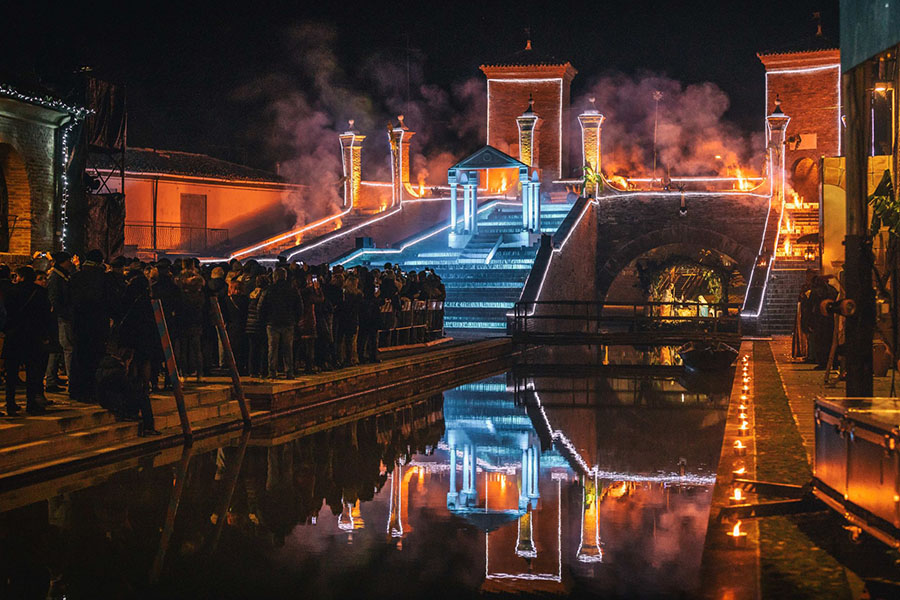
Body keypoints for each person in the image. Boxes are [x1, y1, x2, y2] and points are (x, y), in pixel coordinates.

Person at [3, 266, 55, 416]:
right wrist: (46, 335)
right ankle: (31, 403)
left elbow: (7, 311)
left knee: (11, 372)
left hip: (14, 335)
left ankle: (10, 403)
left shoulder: (11, 291)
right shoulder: (39, 292)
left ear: (21, 276)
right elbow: (46, 316)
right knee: (33, 371)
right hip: (33, 336)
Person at [69, 249, 117, 403]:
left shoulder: (76, 277)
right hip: (97, 324)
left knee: (78, 356)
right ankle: (90, 390)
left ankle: (76, 389)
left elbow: (69, 300)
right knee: (94, 358)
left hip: (78, 323)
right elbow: (111, 302)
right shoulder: (103, 279)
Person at [95, 347, 160, 436]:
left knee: (138, 396)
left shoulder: (106, 366)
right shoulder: (118, 371)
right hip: (113, 401)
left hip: (105, 399)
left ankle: (135, 416)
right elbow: (128, 389)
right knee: (143, 398)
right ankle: (148, 427)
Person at [258, 268, 301, 379]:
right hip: (288, 322)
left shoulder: (268, 290)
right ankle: (289, 372)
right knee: (288, 348)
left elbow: (261, 307)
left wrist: (264, 320)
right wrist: (295, 319)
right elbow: (299, 306)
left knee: (272, 348)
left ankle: (272, 372)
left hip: (272, 323)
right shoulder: (293, 289)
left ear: (274, 277)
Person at [45, 251, 74, 393]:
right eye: (69, 260)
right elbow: (54, 299)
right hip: (60, 318)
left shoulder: (61, 276)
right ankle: (70, 380)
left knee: (56, 348)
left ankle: (51, 378)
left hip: (59, 317)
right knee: (67, 347)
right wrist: (65, 313)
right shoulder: (56, 277)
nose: (71, 263)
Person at [245, 274, 269, 378]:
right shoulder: (265, 294)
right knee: (264, 348)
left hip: (250, 324)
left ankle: (252, 371)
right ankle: (263, 370)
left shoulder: (251, 294)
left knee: (253, 349)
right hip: (260, 324)